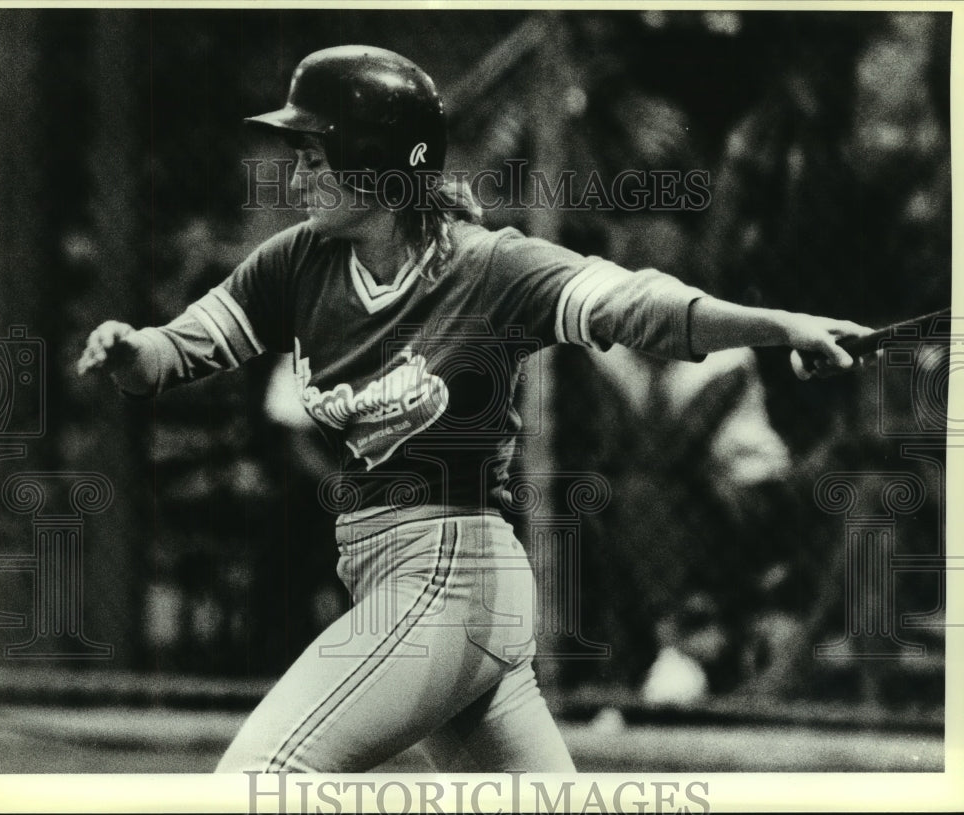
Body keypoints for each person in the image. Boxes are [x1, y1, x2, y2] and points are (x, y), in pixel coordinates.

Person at [77, 45, 872, 773]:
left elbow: (640, 305)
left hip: (449, 580)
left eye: (316, 157)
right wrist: (131, 347)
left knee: (259, 777)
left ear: (379, 164)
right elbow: (180, 350)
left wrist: (780, 324)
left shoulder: (488, 268)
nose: (297, 177)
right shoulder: (297, 264)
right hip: (395, 581)